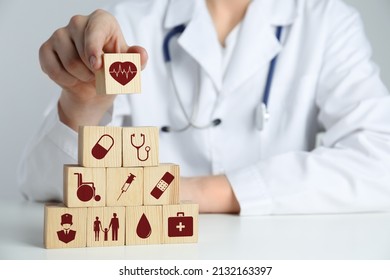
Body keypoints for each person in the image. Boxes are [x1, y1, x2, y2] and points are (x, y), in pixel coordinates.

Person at [18, 0, 390, 216]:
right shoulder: (131, 22)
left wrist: (196, 192)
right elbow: (39, 184)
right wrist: (84, 104)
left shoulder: (326, 21)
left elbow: (381, 160)